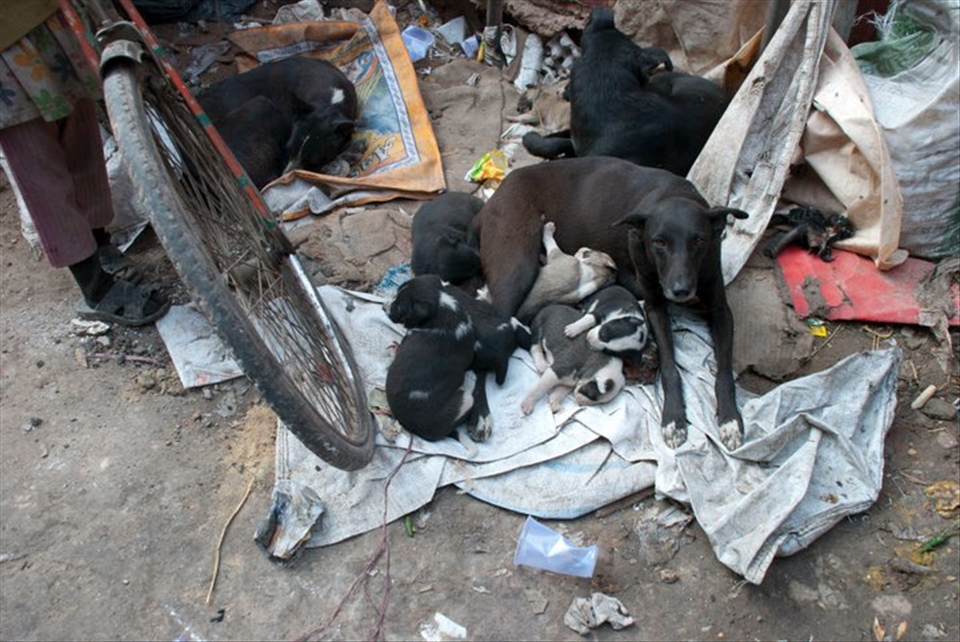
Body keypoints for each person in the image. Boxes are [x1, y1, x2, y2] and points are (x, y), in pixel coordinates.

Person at [0, 0, 169, 326]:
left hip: (44, 17)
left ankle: (98, 242)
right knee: (38, 166)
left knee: (82, 137)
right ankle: (94, 284)